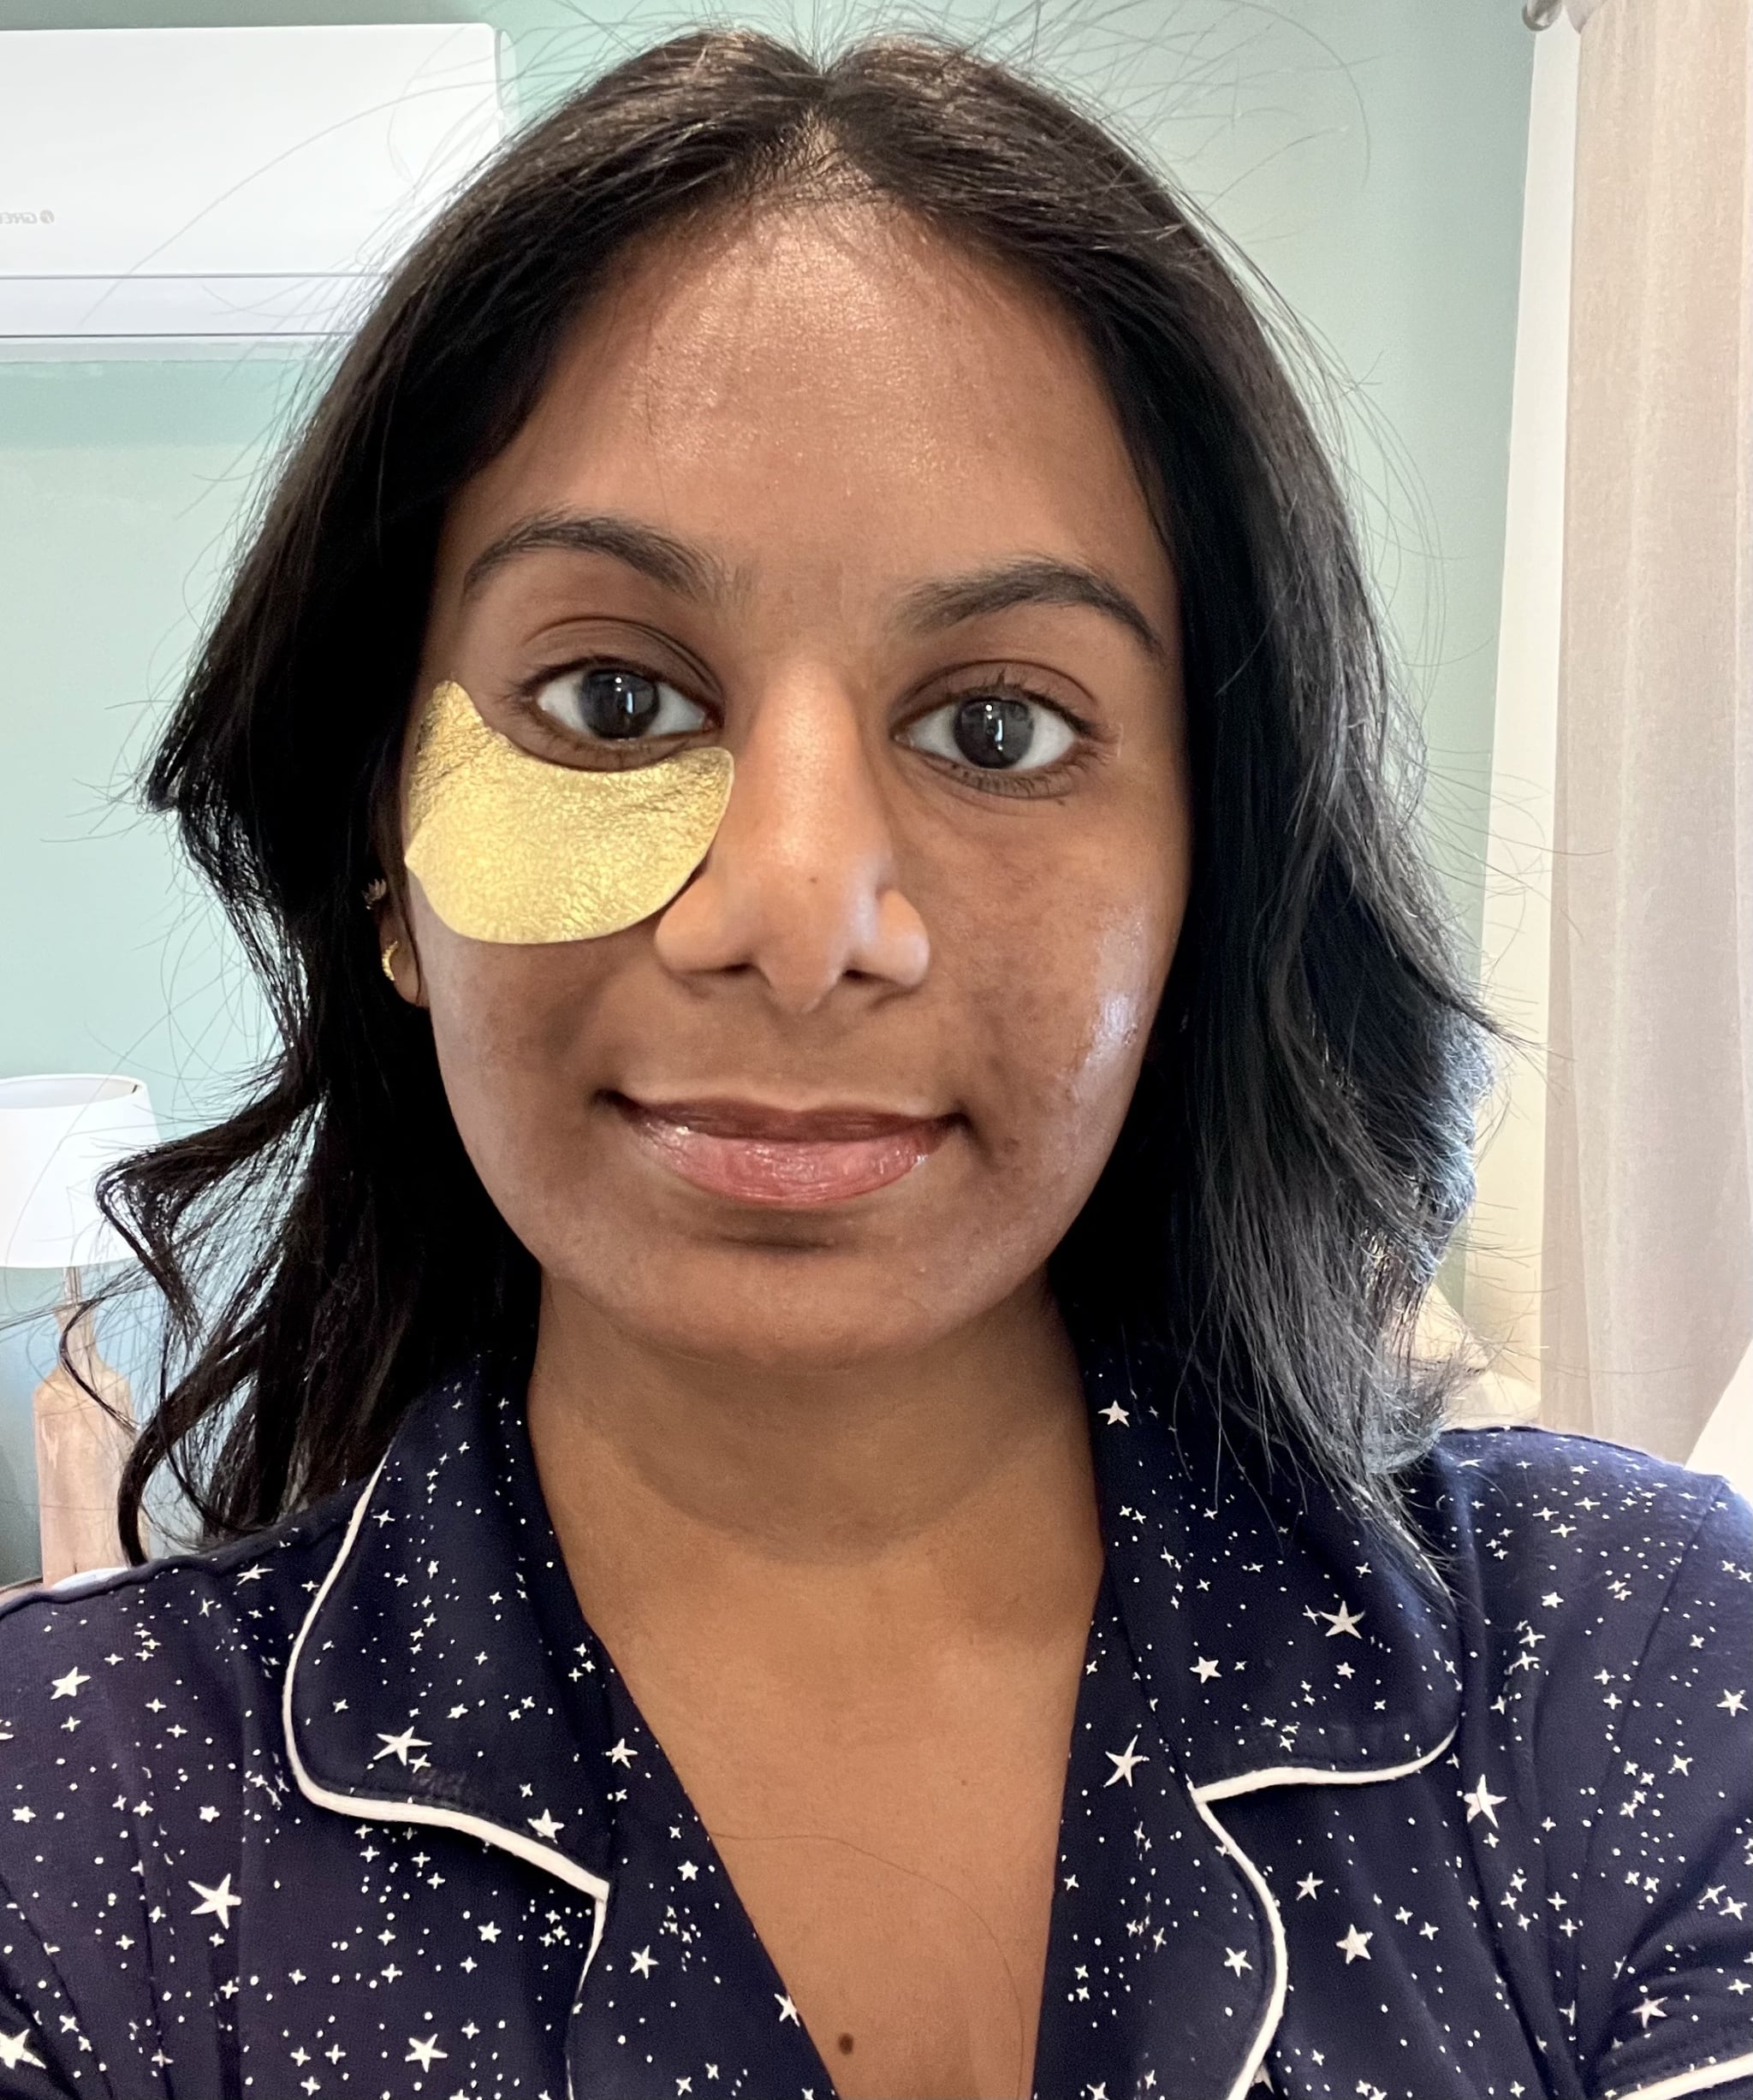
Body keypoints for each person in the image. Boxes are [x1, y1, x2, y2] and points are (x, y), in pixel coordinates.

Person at [0, 27, 1746, 2100]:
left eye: (996, 726)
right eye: (613, 697)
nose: (799, 912)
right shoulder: (72, 1830)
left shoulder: (1626, 1676)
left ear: (1213, 870)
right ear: (384, 850)